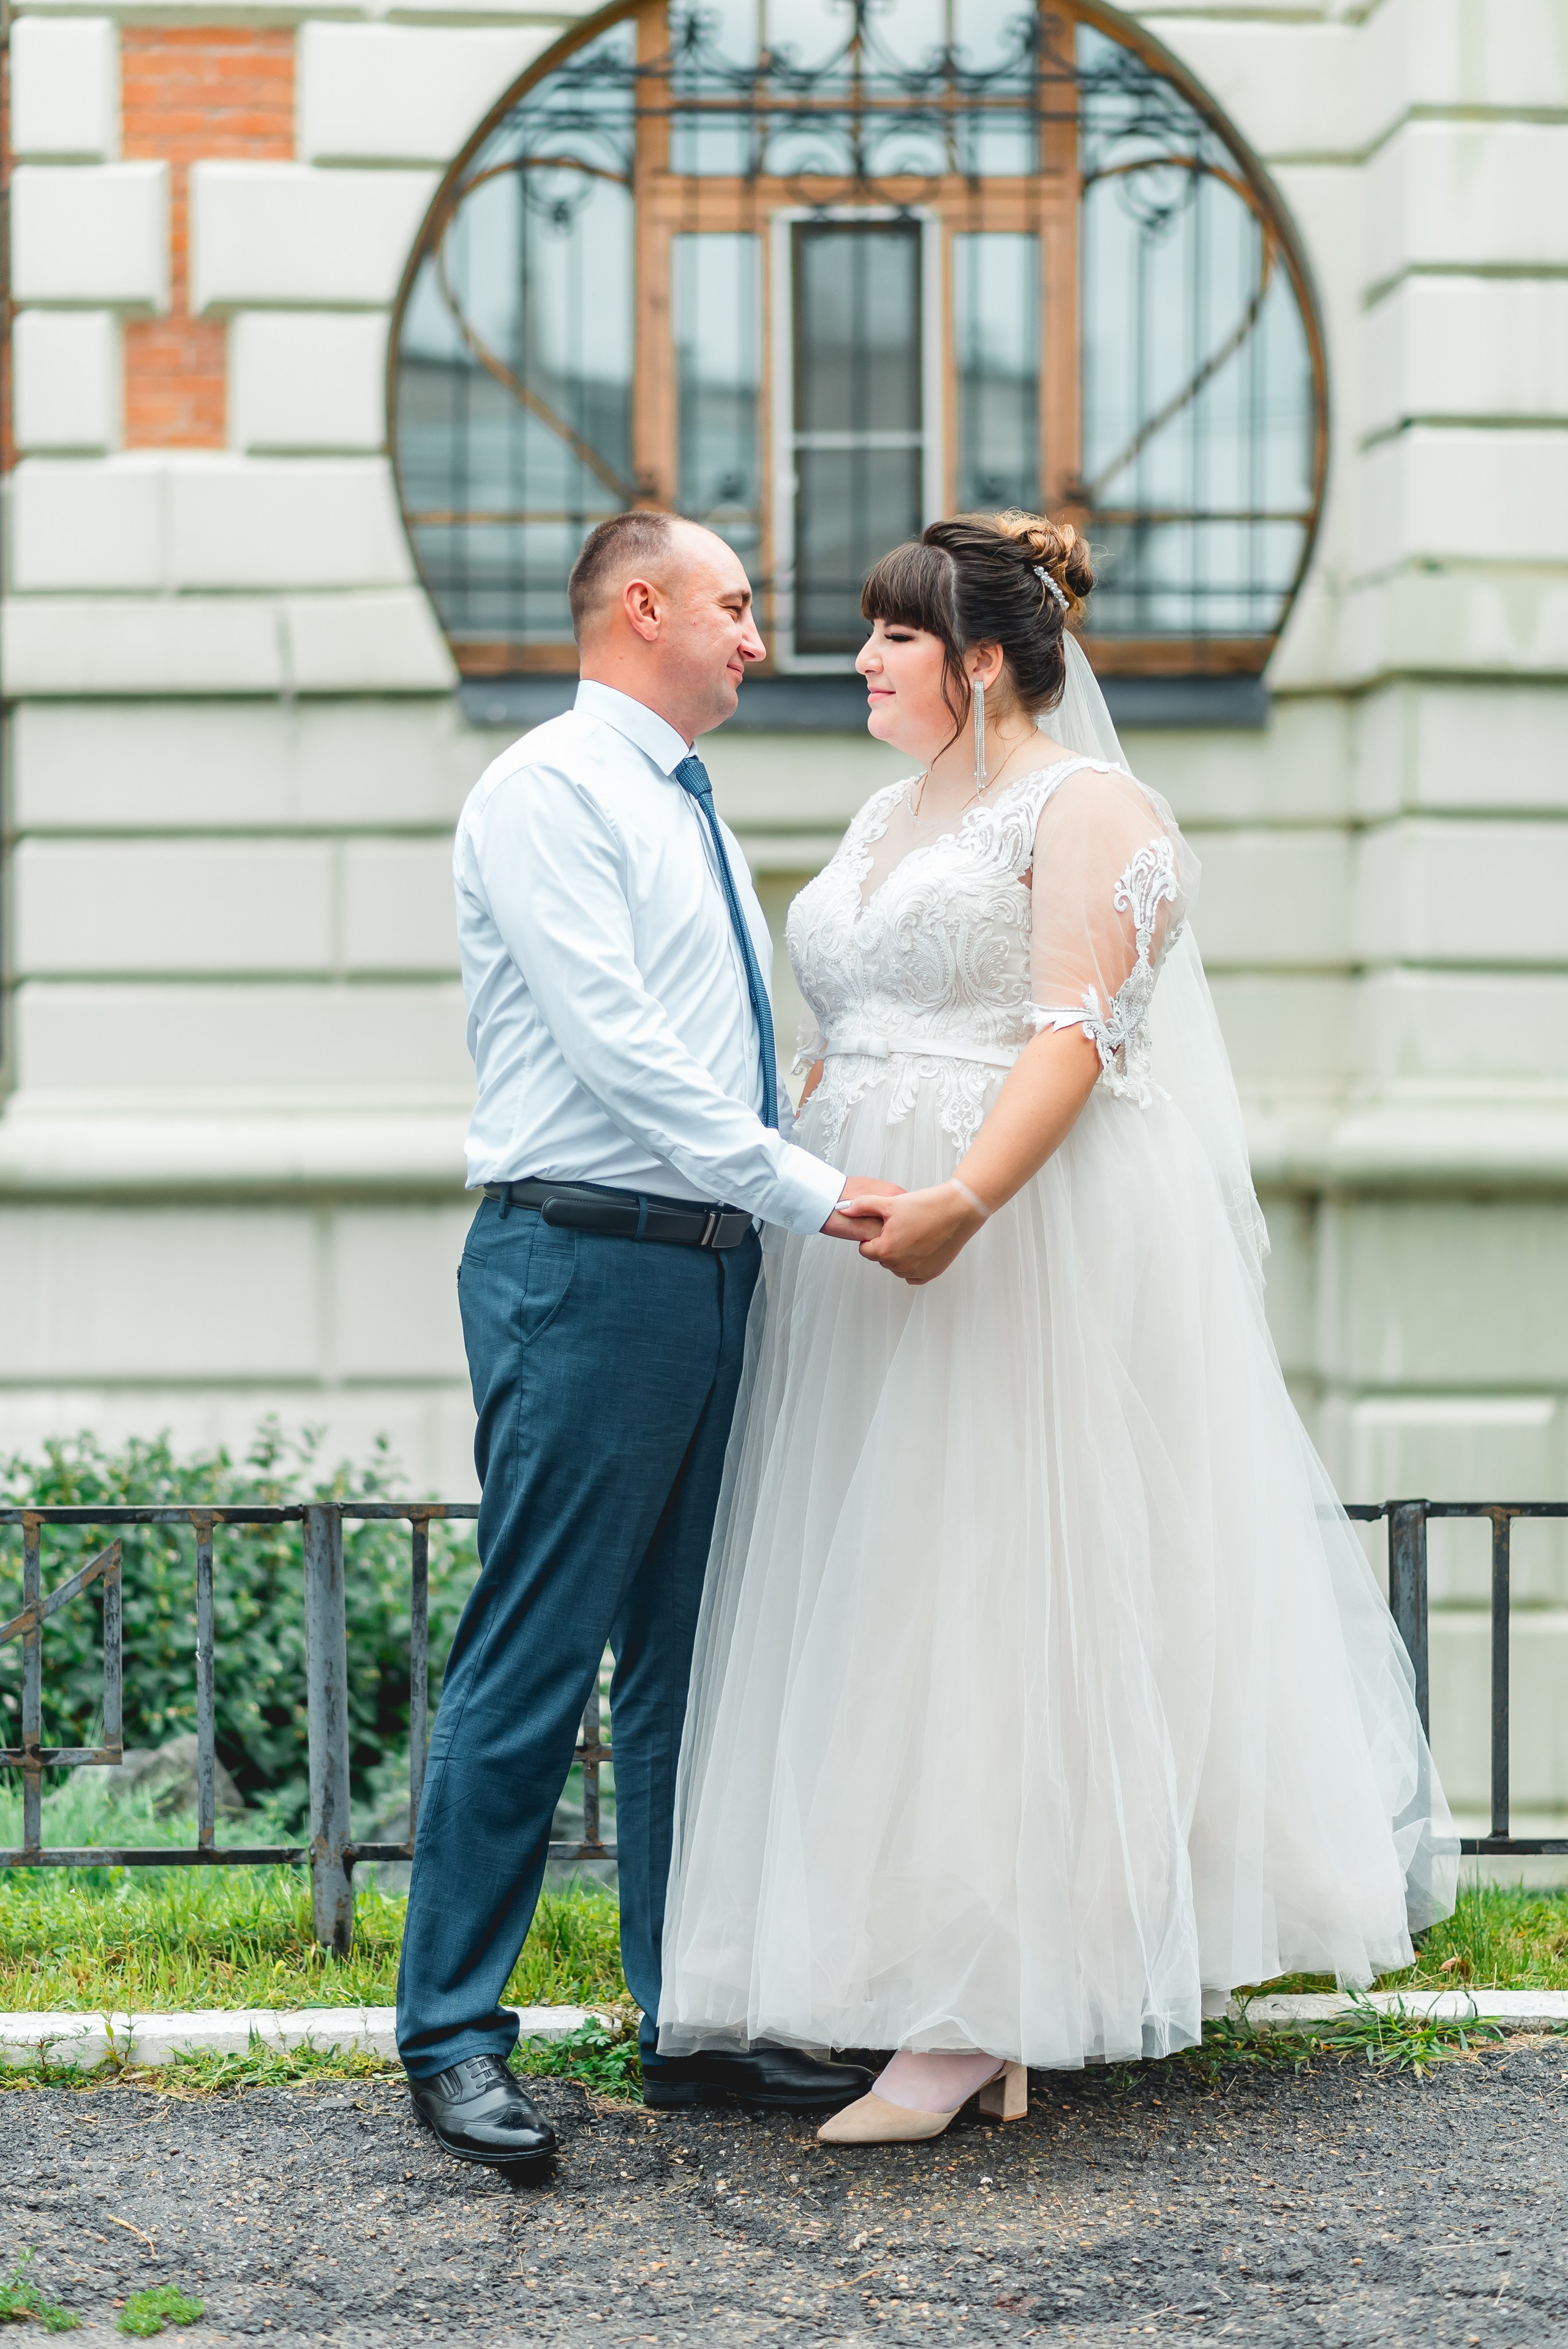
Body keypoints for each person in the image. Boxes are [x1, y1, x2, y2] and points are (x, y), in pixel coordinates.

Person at [657, 511, 1458, 2144]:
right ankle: (911, 1961)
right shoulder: (891, 810)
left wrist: (964, 1203)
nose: (860, 660)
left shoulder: (1088, 805)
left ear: (979, 659)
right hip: (856, 1242)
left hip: (1014, 1238)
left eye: (890, 637)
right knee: (888, 1601)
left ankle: (981, 2006)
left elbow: (1073, 1030)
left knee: (999, 1592)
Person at [396, 511, 899, 2171]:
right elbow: (622, 1056)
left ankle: (689, 2019)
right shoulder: (550, 791)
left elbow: (721, 1051)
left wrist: (793, 1173)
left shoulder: (683, 803)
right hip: (586, 1259)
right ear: (644, 605)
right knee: (534, 1654)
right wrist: (814, 1188)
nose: (761, 636)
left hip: (707, 1265)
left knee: (692, 1660)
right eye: (737, 605)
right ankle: (452, 2033)